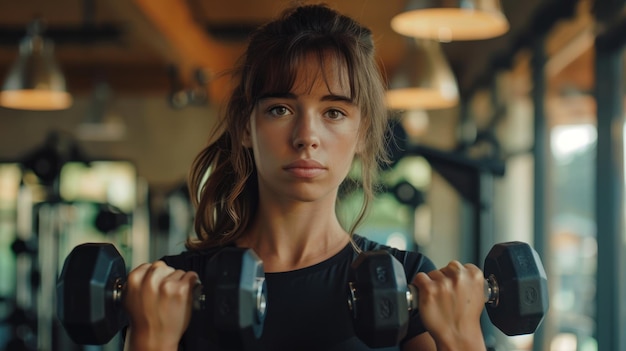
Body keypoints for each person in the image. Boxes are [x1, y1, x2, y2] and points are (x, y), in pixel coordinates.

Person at [123, 3, 487, 351]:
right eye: (280, 109)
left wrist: (462, 338)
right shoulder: (174, 287)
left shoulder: (406, 280)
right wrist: (153, 341)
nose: (306, 136)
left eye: (333, 112)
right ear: (246, 127)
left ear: (362, 133)